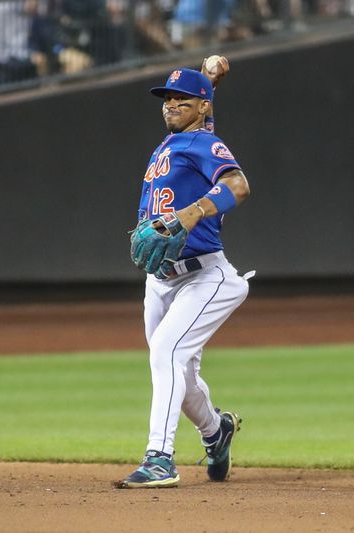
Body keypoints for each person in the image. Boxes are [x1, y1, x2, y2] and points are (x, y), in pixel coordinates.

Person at [115, 58, 252, 489]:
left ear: (202, 108)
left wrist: (192, 213)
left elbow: (237, 184)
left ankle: (159, 459)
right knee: (180, 371)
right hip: (160, 280)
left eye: (181, 100)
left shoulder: (203, 145)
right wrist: (206, 83)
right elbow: (198, 113)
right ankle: (216, 431)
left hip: (205, 277)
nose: (171, 104)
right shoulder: (172, 143)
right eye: (167, 99)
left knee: (167, 353)